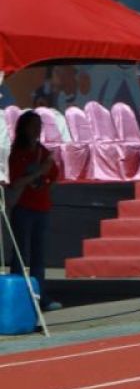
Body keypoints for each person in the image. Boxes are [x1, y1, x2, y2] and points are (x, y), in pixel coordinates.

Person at [6, 111, 61, 311]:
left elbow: (53, 176)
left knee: (39, 256)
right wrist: (39, 172)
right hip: (23, 208)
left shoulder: (42, 151)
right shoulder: (16, 153)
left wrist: (44, 185)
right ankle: (18, 297)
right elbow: (15, 182)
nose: (37, 129)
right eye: (33, 125)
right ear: (24, 128)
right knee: (21, 255)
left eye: (40, 125)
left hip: (42, 209)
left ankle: (39, 297)